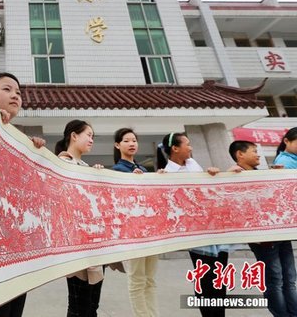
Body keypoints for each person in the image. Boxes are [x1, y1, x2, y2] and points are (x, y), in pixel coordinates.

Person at [0, 72, 45, 317]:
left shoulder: (19, 142)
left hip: (15, 255)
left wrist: (33, 152)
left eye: (18, 93)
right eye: (7, 89)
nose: (15, 96)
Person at [157, 132, 230, 317]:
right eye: (187, 144)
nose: (191, 148)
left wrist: (211, 173)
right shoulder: (167, 174)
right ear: (175, 148)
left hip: (214, 230)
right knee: (205, 279)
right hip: (196, 235)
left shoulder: (193, 164)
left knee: (219, 279)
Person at [229, 140, 297, 317]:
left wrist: (278, 176)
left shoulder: (262, 173)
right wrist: (227, 175)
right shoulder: (234, 176)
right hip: (264, 239)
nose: (258, 155)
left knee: (290, 278)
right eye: (254, 151)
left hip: (280, 233)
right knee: (275, 280)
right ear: (240, 154)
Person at [54, 120, 105, 317]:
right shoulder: (61, 164)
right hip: (76, 247)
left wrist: (98, 177)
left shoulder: (86, 167)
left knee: (92, 306)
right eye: (88, 135)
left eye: (93, 136)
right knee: (79, 307)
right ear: (74, 136)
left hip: (95, 244)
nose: (91, 140)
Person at [112, 128, 159, 317]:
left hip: (150, 231)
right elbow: (119, 202)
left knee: (150, 280)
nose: (132, 144)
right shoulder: (117, 171)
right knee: (137, 279)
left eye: (134, 140)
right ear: (117, 145)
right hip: (132, 232)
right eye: (126, 141)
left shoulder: (144, 170)